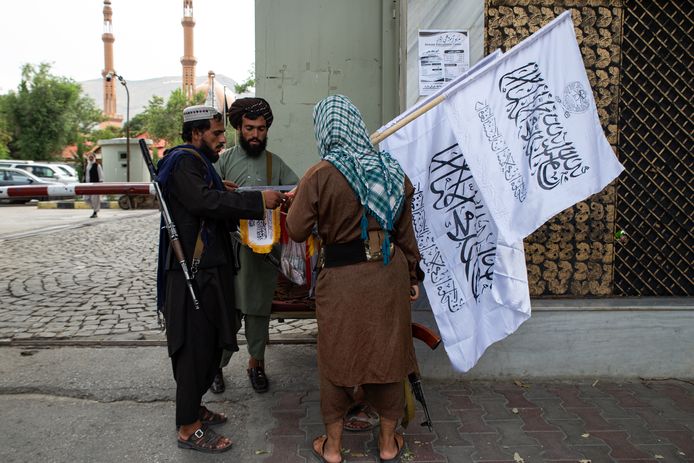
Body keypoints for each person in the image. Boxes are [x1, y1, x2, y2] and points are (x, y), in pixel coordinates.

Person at [286, 95, 420, 463]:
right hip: (388, 275)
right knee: (388, 354)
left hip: (341, 282)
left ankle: (332, 448)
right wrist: (413, 274)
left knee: (337, 358)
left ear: (324, 129)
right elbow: (405, 234)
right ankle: (389, 445)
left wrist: (306, 202)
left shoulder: (320, 173)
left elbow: (296, 230)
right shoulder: (391, 168)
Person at [156, 105, 285, 453]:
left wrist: (223, 189)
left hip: (208, 274)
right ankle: (188, 428)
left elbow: (208, 196)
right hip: (191, 276)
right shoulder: (184, 161)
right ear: (196, 133)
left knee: (210, 343)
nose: (221, 139)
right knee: (194, 349)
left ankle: (194, 408)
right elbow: (204, 202)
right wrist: (255, 200)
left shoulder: (199, 165)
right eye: (215, 133)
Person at [210, 97, 299, 394]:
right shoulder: (222, 162)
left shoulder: (275, 163)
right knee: (226, 312)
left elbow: (296, 191)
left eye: (261, 129)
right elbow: (207, 198)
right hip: (228, 251)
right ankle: (216, 367)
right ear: (238, 128)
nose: (256, 135)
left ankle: (256, 364)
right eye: (250, 128)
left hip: (261, 254)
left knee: (258, 311)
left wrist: (289, 197)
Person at [84, 153, 104, 218]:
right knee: (87, 198)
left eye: (92, 157)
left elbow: (101, 176)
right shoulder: (87, 165)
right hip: (87, 185)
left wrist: (100, 184)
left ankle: (95, 212)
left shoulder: (97, 165)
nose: (90, 158)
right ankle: (94, 209)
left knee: (95, 199)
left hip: (95, 185)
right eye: (89, 157)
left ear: (94, 158)